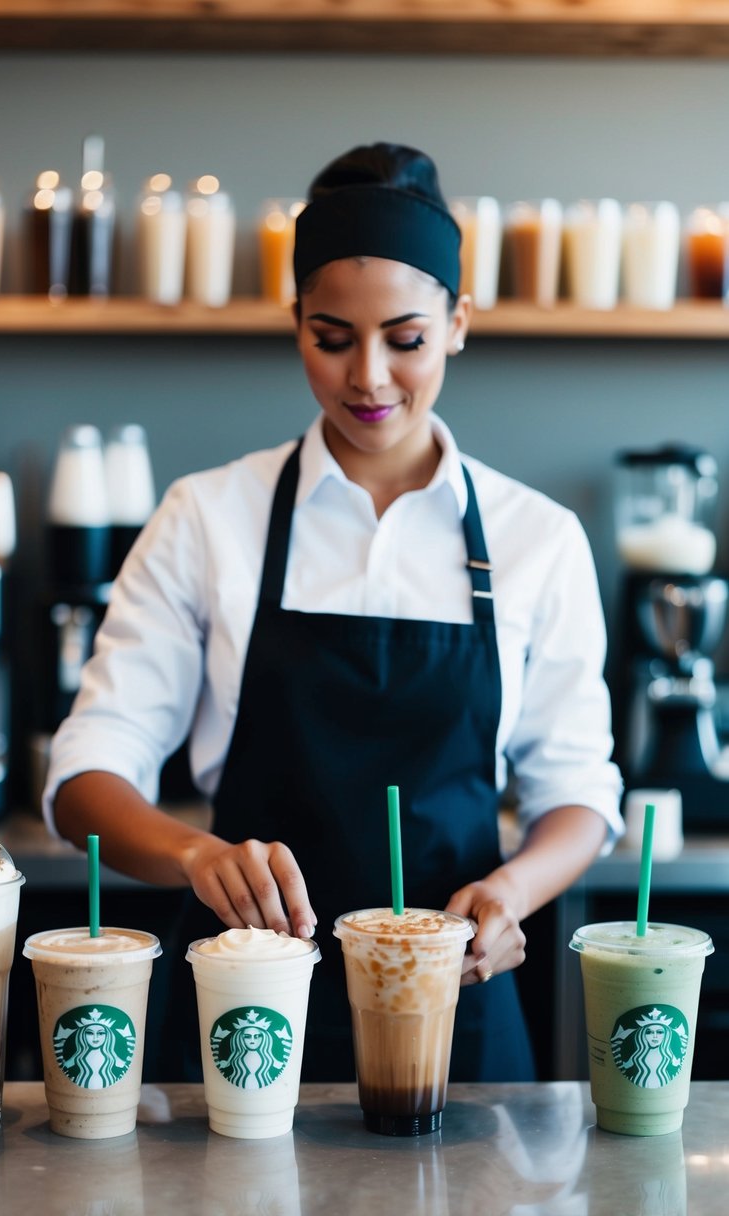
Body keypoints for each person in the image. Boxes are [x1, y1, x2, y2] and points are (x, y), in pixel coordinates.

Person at [44, 141, 623, 1083]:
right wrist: (195, 854)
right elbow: (84, 779)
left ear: (458, 322)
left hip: (456, 1013)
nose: (368, 379)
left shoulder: (537, 537)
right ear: (295, 324)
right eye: (330, 337)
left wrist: (513, 892)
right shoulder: (207, 516)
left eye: (405, 339)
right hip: (240, 1018)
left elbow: (579, 794)